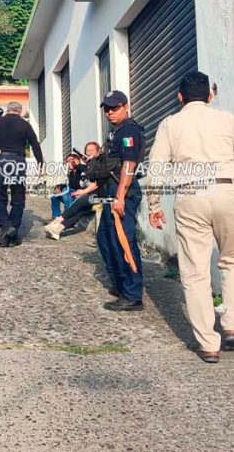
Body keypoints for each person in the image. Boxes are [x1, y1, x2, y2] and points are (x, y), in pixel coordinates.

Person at [146, 71, 234, 364]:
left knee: (195, 271)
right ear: (210, 96)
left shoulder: (170, 124)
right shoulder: (227, 120)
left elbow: (157, 166)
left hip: (190, 197)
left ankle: (208, 344)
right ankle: (233, 325)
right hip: (227, 192)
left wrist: (153, 204)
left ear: (180, 97)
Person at [93, 91, 145, 312]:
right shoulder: (116, 132)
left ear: (126, 106)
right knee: (105, 238)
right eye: (107, 109)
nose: (110, 113)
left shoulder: (129, 130)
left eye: (115, 108)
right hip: (110, 190)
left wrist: (121, 196)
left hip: (122, 191)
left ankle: (132, 295)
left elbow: (129, 165)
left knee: (123, 241)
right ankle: (120, 284)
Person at [0, 101, 44, 247]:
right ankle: (12, 230)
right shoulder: (25, 124)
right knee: (18, 198)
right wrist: (40, 164)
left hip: (1, 161)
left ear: (7, 110)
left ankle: (6, 226)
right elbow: (35, 144)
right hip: (18, 161)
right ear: (20, 111)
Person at [44, 141, 100, 240]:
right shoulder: (88, 167)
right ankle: (57, 228)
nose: (89, 152)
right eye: (87, 151)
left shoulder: (96, 165)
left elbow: (96, 183)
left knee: (82, 201)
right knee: (81, 210)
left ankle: (57, 222)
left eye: (92, 150)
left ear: (98, 152)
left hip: (105, 197)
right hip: (93, 196)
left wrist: (83, 192)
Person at [50, 153, 83, 218]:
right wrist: (59, 187)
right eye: (68, 161)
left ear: (77, 161)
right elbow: (69, 185)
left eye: (72, 160)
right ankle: (55, 216)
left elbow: (77, 186)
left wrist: (78, 165)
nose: (70, 162)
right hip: (71, 196)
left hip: (81, 196)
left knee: (66, 191)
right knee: (54, 195)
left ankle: (68, 217)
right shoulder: (70, 174)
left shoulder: (82, 170)